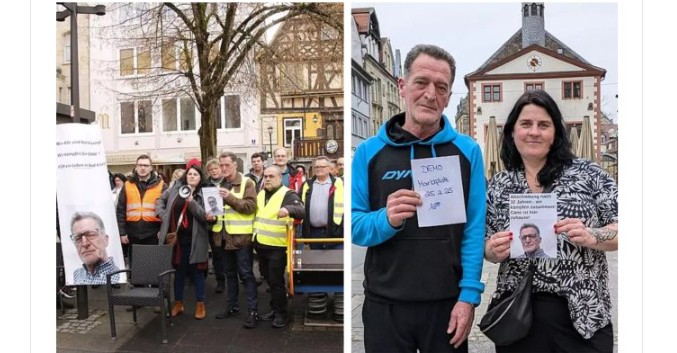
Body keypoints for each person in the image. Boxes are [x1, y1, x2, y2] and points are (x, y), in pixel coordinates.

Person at [351, 44, 486, 353]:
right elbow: (355, 226)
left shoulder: (468, 152)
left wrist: (468, 297)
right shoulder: (369, 152)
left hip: (446, 304)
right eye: (421, 82)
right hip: (385, 304)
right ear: (402, 86)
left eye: (441, 87)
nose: (430, 94)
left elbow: (474, 230)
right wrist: (385, 219)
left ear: (449, 97)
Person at [484, 89, 618, 352]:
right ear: (512, 132)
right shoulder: (499, 185)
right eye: (526, 124)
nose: (534, 131)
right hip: (518, 314)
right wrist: (493, 249)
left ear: (555, 132)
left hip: (583, 315)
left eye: (543, 125)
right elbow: (485, 246)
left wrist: (593, 236)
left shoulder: (588, 174)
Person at [156, 160, 213, 320]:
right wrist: (163, 214)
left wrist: (191, 202)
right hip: (177, 240)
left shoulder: (205, 193)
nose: (192, 176)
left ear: (200, 178)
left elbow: (205, 217)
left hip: (197, 240)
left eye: (196, 174)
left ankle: (200, 304)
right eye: (190, 174)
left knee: (197, 273)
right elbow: (160, 200)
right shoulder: (175, 189)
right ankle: (178, 303)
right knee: (179, 273)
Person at [211, 152, 260, 328]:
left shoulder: (247, 182)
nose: (223, 168)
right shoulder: (221, 183)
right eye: (221, 165)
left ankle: (253, 311)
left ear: (235, 165)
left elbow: (250, 207)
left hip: (241, 239)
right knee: (229, 274)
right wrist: (212, 215)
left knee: (246, 275)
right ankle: (232, 306)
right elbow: (220, 212)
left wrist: (229, 197)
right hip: (223, 238)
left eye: (227, 165)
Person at [253, 165, 305, 328]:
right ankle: (274, 308)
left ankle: (282, 313)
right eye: (265, 176)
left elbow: (301, 210)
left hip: (277, 246)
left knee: (276, 282)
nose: (267, 179)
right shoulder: (261, 193)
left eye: (271, 176)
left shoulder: (288, 194)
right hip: (261, 245)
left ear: (279, 177)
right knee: (269, 280)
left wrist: (288, 209)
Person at [116, 154, 167, 266]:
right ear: (136, 167)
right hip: (132, 233)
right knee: (136, 266)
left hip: (154, 232)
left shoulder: (161, 185)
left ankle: (154, 284)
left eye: (145, 165)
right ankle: (137, 284)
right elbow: (120, 210)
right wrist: (122, 233)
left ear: (151, 167)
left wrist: (163, 231)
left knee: (153, 266)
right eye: (140, 165)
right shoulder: (127, 185)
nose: (142, 168)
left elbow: (167, 211)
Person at [301, 156, 344, 250]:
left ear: (328, 168)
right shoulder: (307, 185)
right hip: (314, 233)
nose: (319, 169)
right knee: (317, 263)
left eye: (322, 167)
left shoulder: (340, 184)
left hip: (335, 232)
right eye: (316, 167)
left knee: (336, 263)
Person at [70, 212, 121, 285]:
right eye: (78, 238)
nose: (85, 243)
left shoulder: (120, 276)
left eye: (91, 234)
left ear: (105, 240)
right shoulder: (76, 276)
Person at [205, 158, 226, 293]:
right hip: (213, 225)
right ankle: (220, 281)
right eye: (211, 170)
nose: (214, 171)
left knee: (229, 255)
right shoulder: (205, 185)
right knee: (217, 254)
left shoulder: (228, 182)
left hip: (229, 224)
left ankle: (231, 278)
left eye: (216, 168)